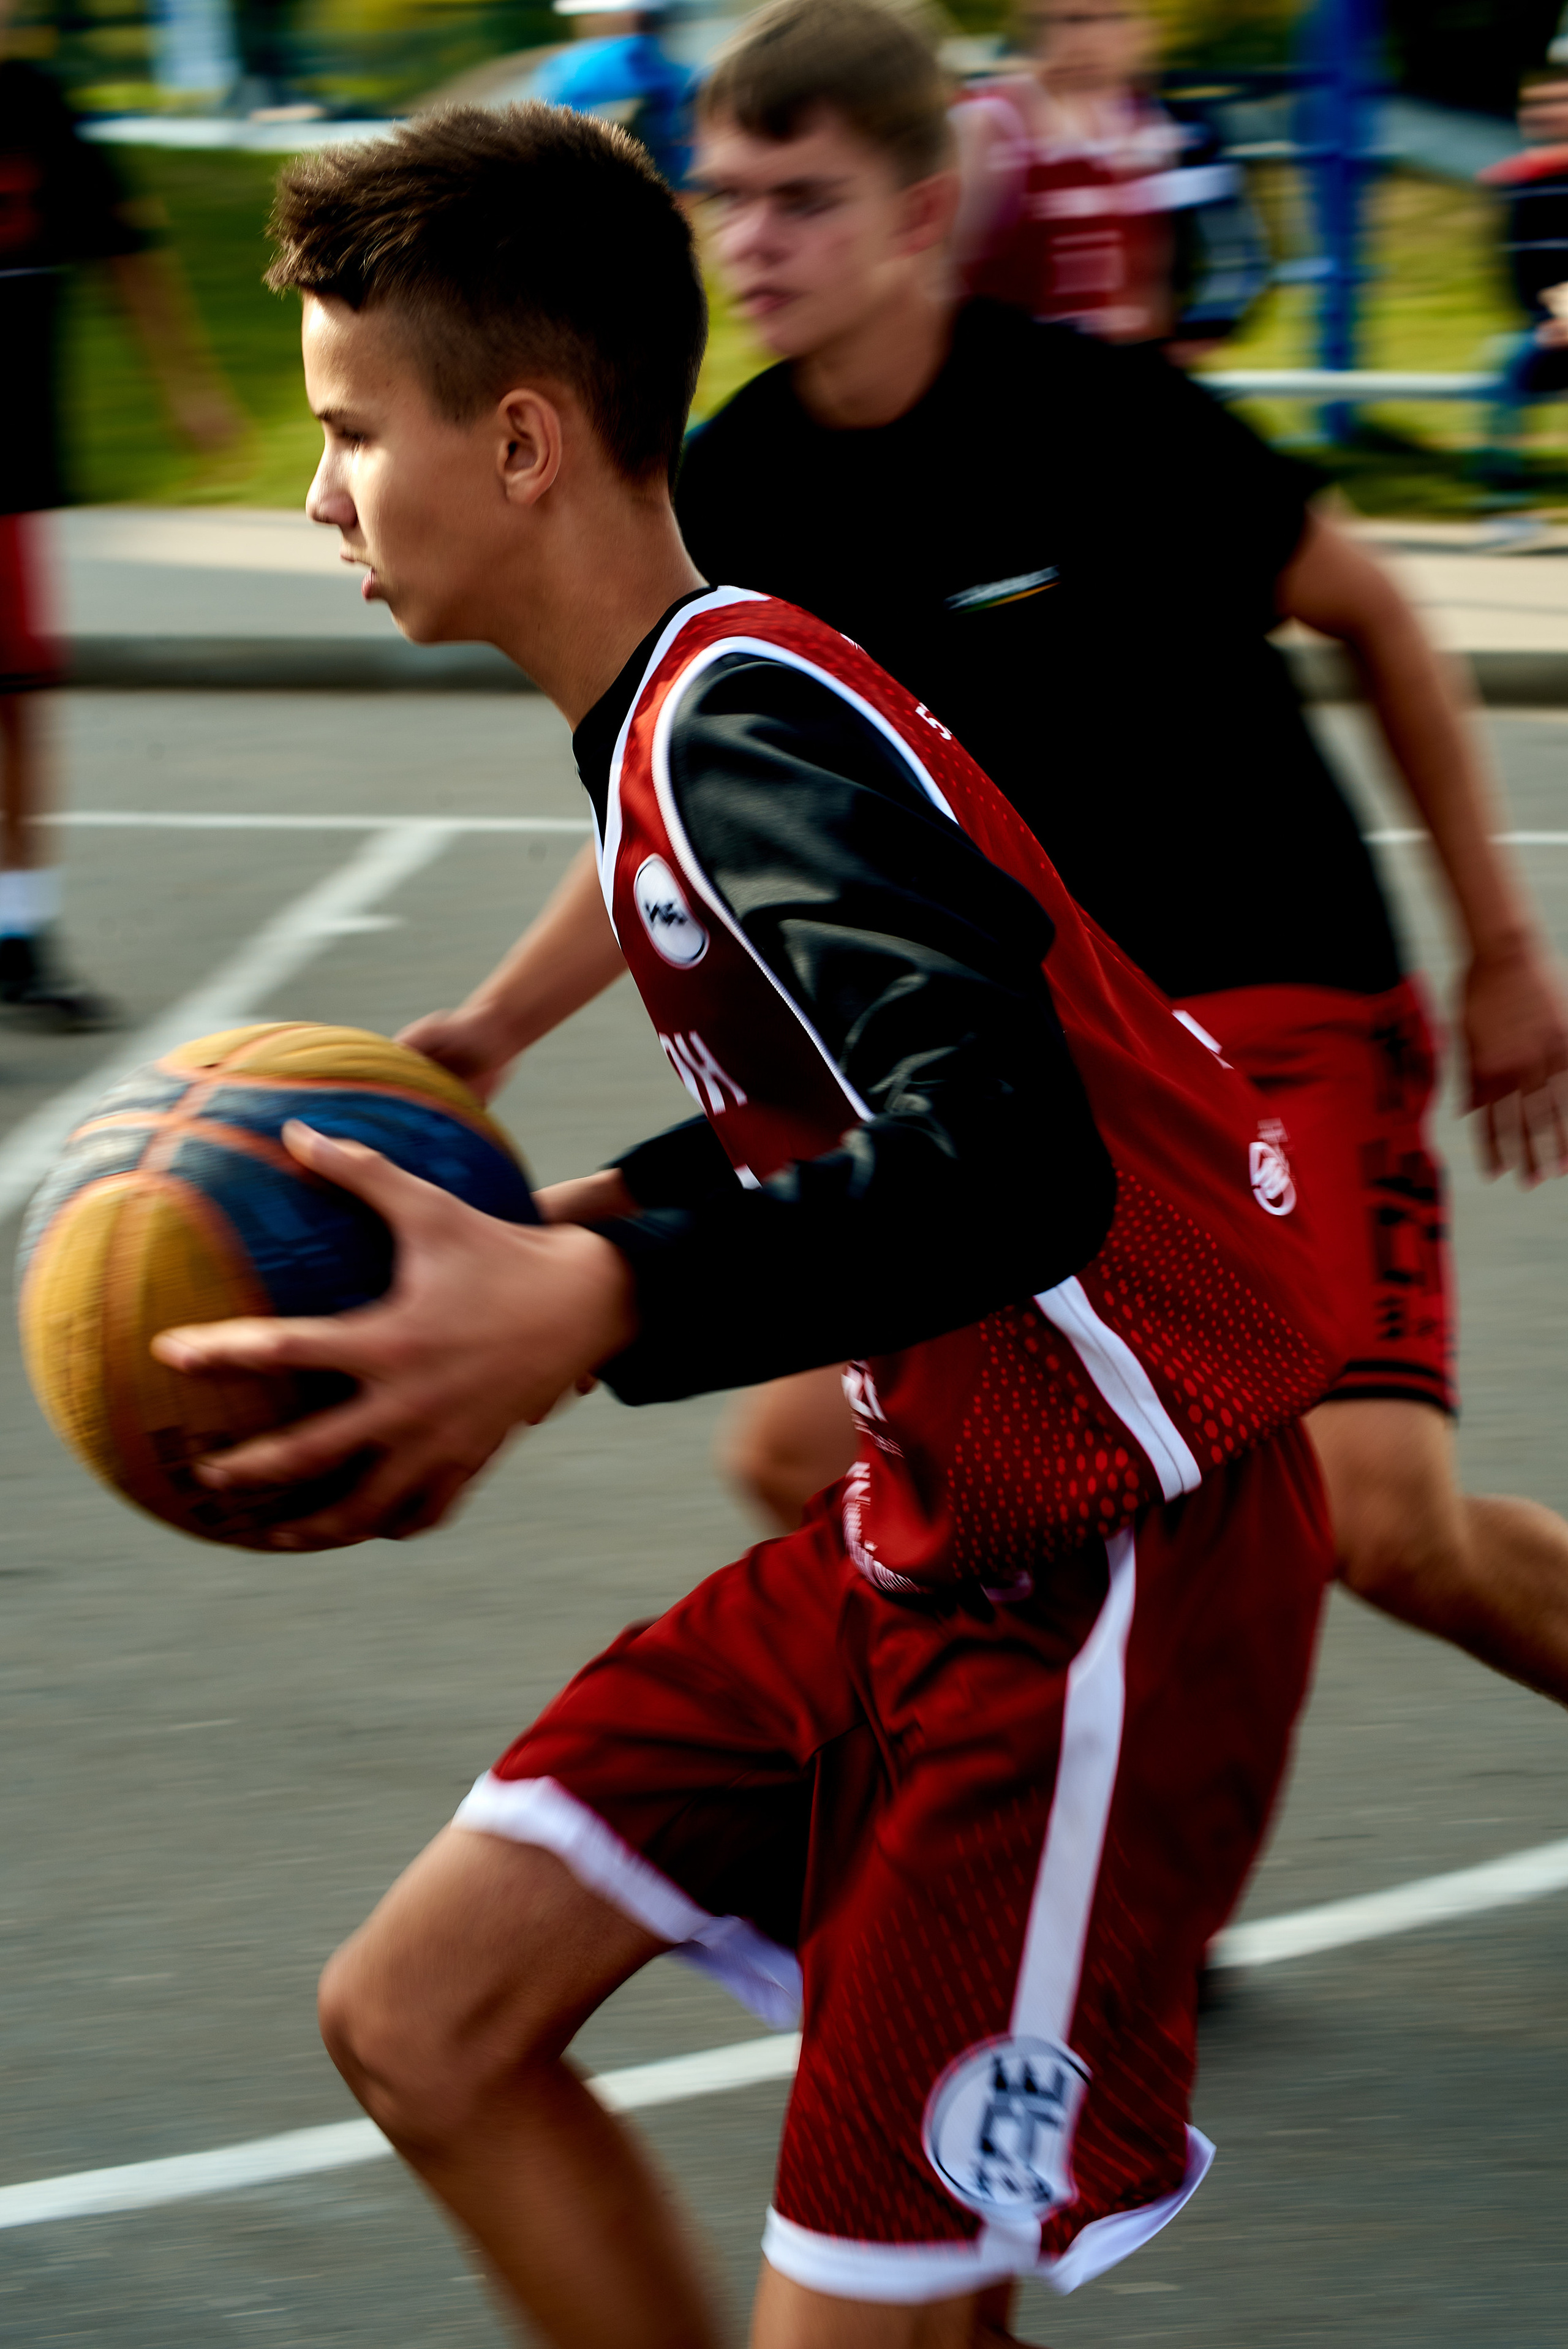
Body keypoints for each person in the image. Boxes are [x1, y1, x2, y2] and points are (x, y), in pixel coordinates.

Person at [157, 99, 1343, 2347]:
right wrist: (573, 1224)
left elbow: (1005, 1152)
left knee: (880, 2321)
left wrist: (593, 1294)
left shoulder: (729, 732)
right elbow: (860, 1108)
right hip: (930, 1521)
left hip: (1105, 1572)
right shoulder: (675, 721)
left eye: (348, 429)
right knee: (420, 2013)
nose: (316, 494)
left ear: (519, 443)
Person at [400, 0, 1568, 1712]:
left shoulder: (1104, 421)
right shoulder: (738, 495)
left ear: (925, 215)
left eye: (803, 199)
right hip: (1055, 1064)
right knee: (803, 1454)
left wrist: (1498, 948)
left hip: (1276, 987)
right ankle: (1094, 1848)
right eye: (726, 198)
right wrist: (495, 1028)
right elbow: (690, 801)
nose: (753, 242)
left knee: (1379, 1520)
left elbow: (1380, 616)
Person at [0, 23, 239, 1025]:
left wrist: (185, 385)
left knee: (16, 695)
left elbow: (128, 250)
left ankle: (20, 935)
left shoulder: (37, 111)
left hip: (8, 466)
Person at [952, 0, 1266, 358]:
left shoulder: (1177, 131)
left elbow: (1238, 260)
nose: (1086, 38)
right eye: (1069, 22)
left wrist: (1176, 354)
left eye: (1109, 19)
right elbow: (943, 277)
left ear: (1141, 32)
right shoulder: (992, 126)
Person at [1479, 69, 1568, 492]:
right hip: (1546, 327)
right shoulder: (1520, 184)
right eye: (1537, 104)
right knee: (1506, 363)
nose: (1548, 112)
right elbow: (1518, 270)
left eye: (1559, 102)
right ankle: (1506, 501)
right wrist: (1544, 319)